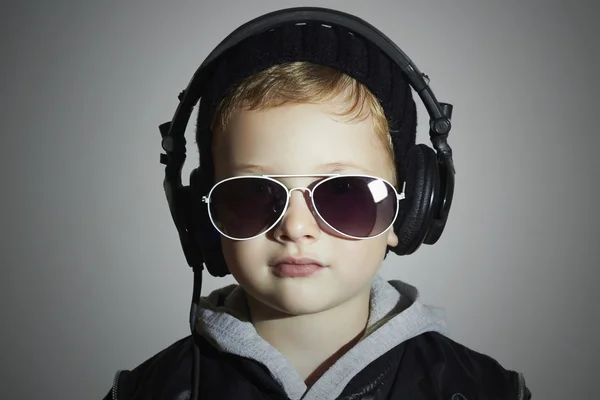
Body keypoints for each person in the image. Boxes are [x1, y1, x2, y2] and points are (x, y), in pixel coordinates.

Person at [103, 7, 531, 400]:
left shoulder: (486, 390)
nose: (295, 228)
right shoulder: (147, 392)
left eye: (343, 192)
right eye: (253, 193)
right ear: (200, 217)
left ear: (415, 204)